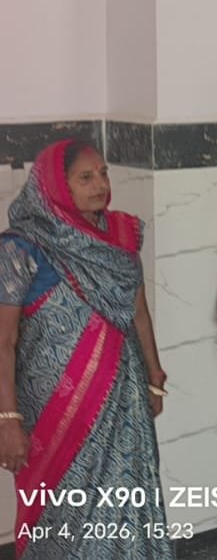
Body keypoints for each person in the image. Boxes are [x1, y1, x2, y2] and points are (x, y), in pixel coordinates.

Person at [0, 139, 173, 559]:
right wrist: (7, 418)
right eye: (86, 177)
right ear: (57, 186)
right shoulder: (21, 246)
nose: (101, 184)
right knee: (63, 513)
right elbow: (4, 340)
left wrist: (154, 376)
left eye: (103, 174)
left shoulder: (120, 235)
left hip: (124, 398)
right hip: (56, 410)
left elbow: (139, 314)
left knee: (127, 497)